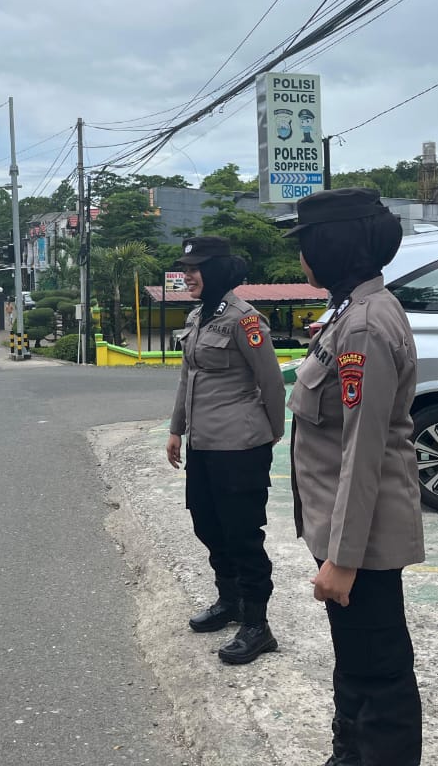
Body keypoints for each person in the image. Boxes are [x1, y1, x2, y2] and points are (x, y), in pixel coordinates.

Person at [284, 188, 425, 766]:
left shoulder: (363, 326)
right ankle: (349, 755)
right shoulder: (351, 310)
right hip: (345, 529)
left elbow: (363, 451)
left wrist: (342, 560)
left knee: (379, 672)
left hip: (361, 541)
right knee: (356, 661)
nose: (301, 257)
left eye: (306, 244)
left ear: (331, 247)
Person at [166, 236, 287, 665]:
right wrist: (176, 429)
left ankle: (257, 624)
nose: (187, 275)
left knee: (242, 535)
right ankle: (229, 601)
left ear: (217, 269)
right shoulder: (198, 316)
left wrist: (272, 432)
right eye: (186, 268)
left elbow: (271, 381)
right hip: (203, 444)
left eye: (195, 268)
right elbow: (188, 377)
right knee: (207, 525)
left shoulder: (245, 319)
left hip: (240, 446)